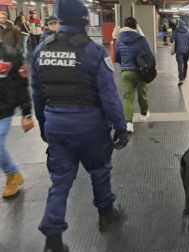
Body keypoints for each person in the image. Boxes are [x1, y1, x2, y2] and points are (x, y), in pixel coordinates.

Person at [30, 0, 129, 251]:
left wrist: (44, 125)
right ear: (85, 20)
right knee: (99, 170)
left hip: (56, 124)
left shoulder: (41, 50)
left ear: (58, 20)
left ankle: (53, 237)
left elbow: (38, 94)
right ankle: (106, 213)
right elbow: (109, 95)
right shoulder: (93, 52)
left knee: (60, 180)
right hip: (90, 126)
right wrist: (120, 126)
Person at [0, 40, 34, 198]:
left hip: (4, 111)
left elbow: (21, 85)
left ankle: (12, 174)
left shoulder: (11, 55)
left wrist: (26, 114)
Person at [115, 17, 155, 132]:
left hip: (126, 72)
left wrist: (125, 64)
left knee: (127, 96)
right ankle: (144, 114)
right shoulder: (141, 39)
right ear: (135, 26)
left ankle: (128, 123)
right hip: (140, 71)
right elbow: (150, 56)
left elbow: (117, 57)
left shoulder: (119, 40)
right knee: (142, 93)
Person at [170, 20, 189, 86]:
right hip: (186, 51)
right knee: (185, 63)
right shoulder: (188, 32)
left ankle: (181, 78)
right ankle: (184, 75)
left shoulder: (176, 31)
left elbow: (171, 40)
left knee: (179, 64)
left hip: (179, 51)